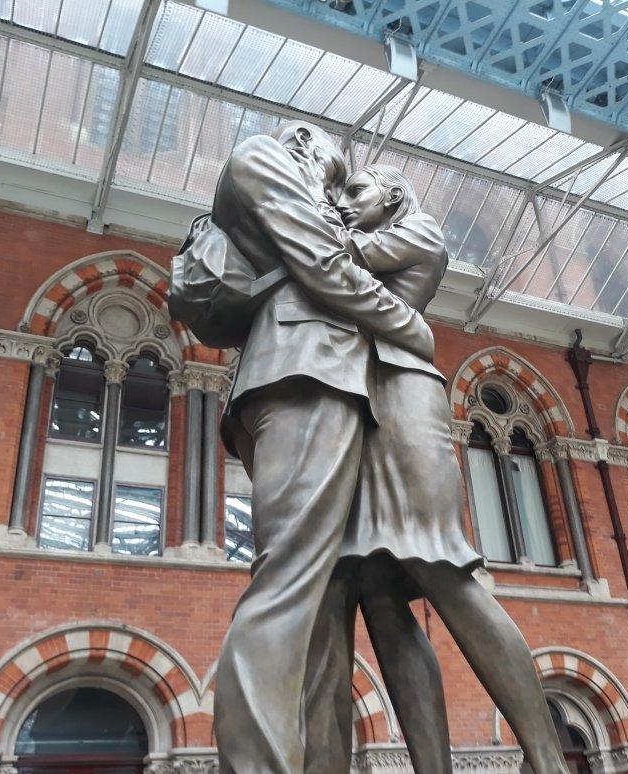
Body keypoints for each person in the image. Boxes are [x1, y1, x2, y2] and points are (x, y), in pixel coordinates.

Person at [304, 165, 567, 774]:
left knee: (439, 563)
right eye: (337, 195)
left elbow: (331, 257)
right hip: (346, 397)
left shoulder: (418, 231)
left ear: (392, 196)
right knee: (364, 589)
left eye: (355, 191)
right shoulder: (371, 234)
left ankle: (548, 760)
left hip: (400, 392)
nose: (342, 203)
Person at [206, 123, 438, 774]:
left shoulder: (291, 190)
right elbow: (324, 265)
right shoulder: (264, 158)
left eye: (344, 189)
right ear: (308, 146)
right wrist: (411, 330)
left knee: (323, 604)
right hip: (307, 373)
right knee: (288, 585)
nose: (334, 196)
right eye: (334, 179)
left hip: (308, 379)